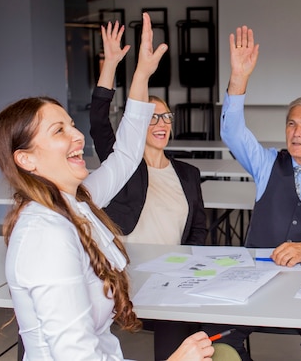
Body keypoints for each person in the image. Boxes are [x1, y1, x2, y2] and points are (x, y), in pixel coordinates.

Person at [0, 13, 215, 361]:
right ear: (26, 160)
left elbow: (126, 154)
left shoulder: (74, 202)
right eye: (58, 131)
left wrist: (140, 75)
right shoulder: (45, 234)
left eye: (71, 124)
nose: (78, 135)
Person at [203, 25, 301, 361]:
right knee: (217, 343)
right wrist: (239, 78)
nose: (296, 132)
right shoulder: (267, 163)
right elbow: (232, 133)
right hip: (255, 276)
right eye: (291, 124)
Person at [89, 21, 209, 360]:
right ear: (137, 123)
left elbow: (199, 229)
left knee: (190, 316)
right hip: (129, 272)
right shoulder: (122, 165)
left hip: (171, 273)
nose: (161, 124)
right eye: (152, 118)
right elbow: (99, 122)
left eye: (166, 118)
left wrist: (186, 266)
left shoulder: (188, 173)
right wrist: (110, 66)